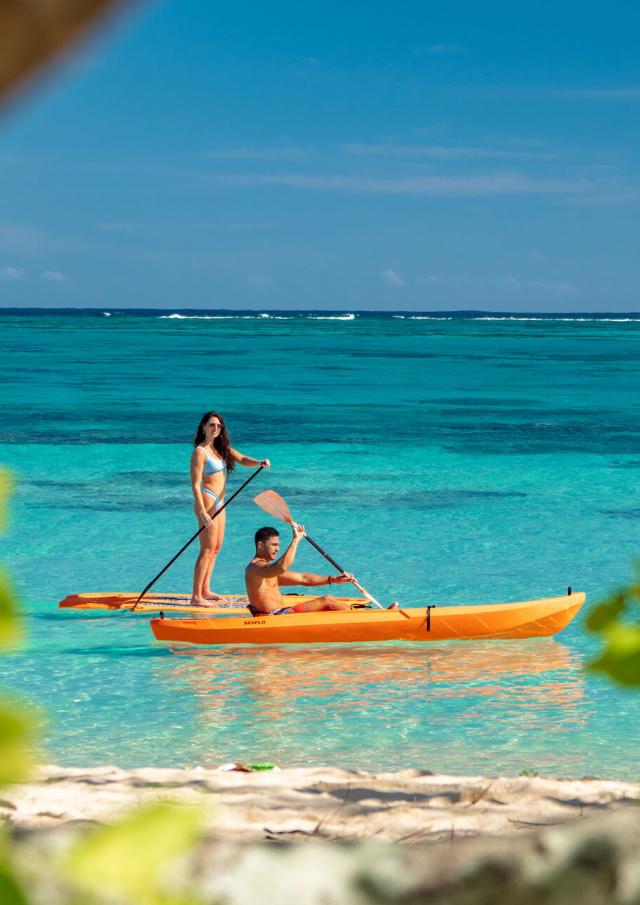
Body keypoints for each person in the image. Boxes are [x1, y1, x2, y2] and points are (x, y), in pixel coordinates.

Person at [190, 411, 269, 606]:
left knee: (216, 548)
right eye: (211, 425)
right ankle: (196, 597)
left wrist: (259, 462)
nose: (215, 428)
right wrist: (201, 511)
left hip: (220, 502)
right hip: (207, 502)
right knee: (206, 549)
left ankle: (205, 589)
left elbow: (241, 459)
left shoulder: (221, 448)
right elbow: (195, 484)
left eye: (218, 426)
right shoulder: (200, 452)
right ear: (203, 427)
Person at [244, 523, 357, 615]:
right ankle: (359, 617)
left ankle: (355, 617)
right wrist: (295, 540)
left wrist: (334, 579)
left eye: (278, 545)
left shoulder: (269, 571)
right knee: (327, 600)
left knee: (327, 606)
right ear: (260, 546)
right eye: (274, 545)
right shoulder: (254, 568)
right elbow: (281, 567)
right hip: (273, 617)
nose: (278, 549)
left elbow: (304, 579)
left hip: (282, 614)